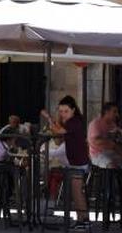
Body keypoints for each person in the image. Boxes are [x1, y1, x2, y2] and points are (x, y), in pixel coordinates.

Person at [41, 95, 90, 229]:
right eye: (61, 111)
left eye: (66, 111)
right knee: (77, 192)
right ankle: (83, 219)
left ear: (73, 110)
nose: (63, 114)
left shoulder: (74, 121)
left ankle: (83, 221)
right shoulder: (73, 121)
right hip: (76, 161)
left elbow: (57, 131)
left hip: (78, 162)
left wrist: (48, 118)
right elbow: (58, 130)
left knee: (77, 192)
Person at [89, 101, 122, 168]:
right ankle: (110, 178)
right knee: (112, 166)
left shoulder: (112, 124)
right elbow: (96, 141)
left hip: (110, 152)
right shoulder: (96, 123)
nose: (117, 115)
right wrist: (111, 142)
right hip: (97, 154)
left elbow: (117, 137)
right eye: (114, 112)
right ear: (107, 112)